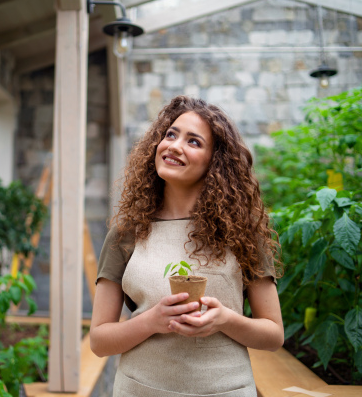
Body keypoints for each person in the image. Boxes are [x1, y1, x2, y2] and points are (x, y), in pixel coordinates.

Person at [90, 96, 283, 397]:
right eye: (170, 134)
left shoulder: (243, 232)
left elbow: (273, 335)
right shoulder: (126, 233)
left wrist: (225, 320)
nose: (174, 146)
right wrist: (153, 321)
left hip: (227, 390)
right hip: (140, 390)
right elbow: (99, 341)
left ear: (215, 162)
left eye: (193, 142)